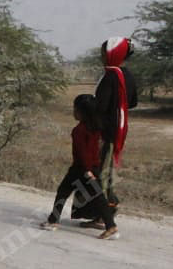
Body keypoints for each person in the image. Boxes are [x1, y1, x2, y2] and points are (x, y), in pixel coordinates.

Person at [40, 94, 118, 239]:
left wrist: (87, 171)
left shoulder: (79, 131)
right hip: (91, 167)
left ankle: (53, 221)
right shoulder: (95, 128)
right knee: (98, 197)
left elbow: (83, 153)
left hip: (81, 169)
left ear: (82, 112)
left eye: (75, 109)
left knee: (63, 191)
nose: (73, 112)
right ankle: (110, 225)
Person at [91, 36, 138, 229]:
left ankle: (106, 215)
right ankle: (102, 212)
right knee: (106, 172)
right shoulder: (127, 75)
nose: (101, 56)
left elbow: (100, 106)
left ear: (113, 54)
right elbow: (133, 102)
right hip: (119, 130)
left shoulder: (111, 76)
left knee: (101, 173)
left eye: (104, 53)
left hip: (106, 132)